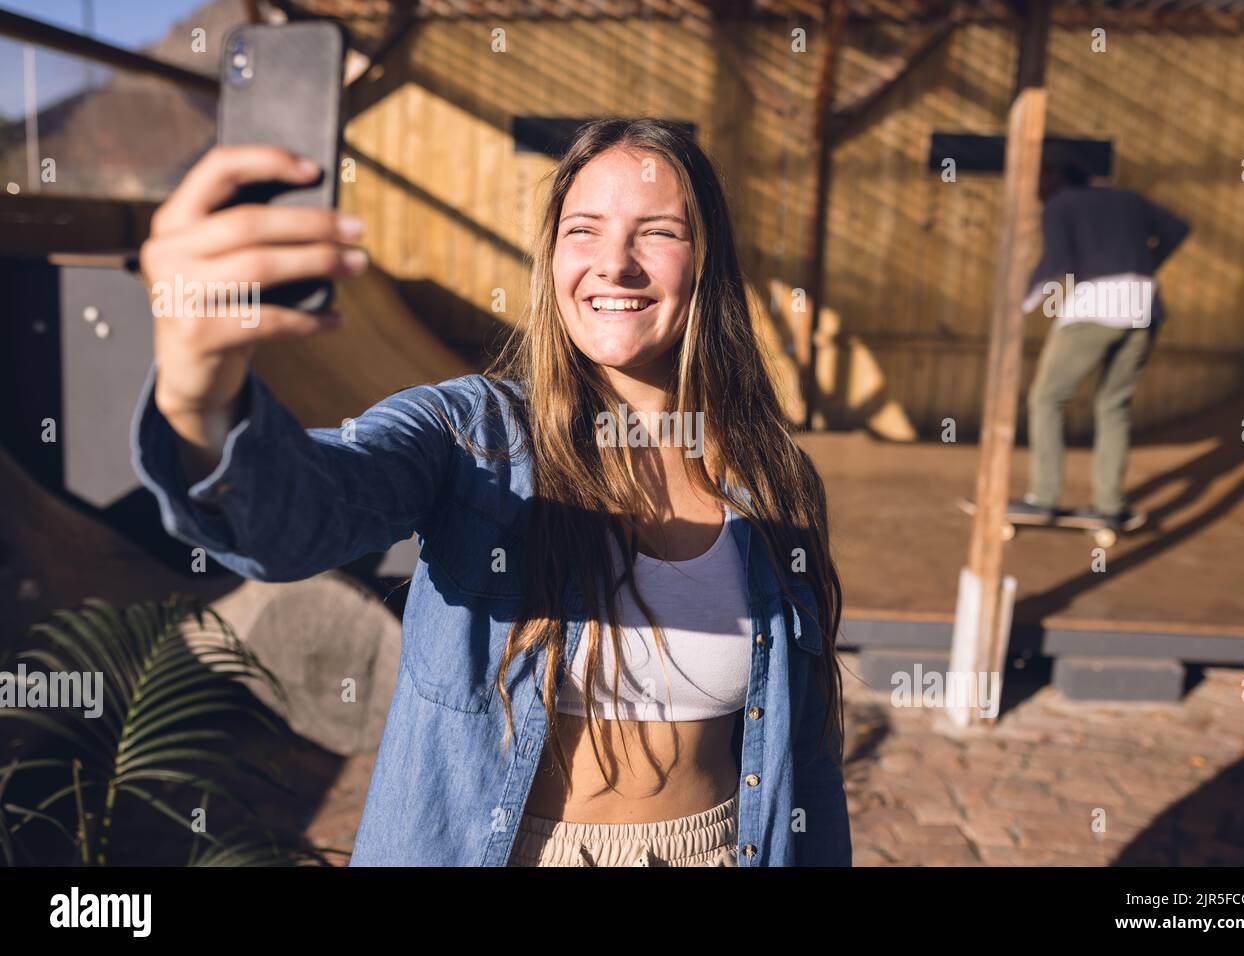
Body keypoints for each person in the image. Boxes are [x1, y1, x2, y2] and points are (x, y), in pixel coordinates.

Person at [129, 117, 851, 866]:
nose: (615, 263)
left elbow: (809, 759)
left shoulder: (774, 483)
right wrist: (200, 401)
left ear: (706, 261)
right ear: (551, 255)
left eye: (658, 232)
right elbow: (305, 511)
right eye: (585, 230)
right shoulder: (470, 435)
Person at [1012, 153, 1190, 530]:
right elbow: (1178, 227)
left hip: (1096, 308)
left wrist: (1022, 302)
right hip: (1145, 306)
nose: (1034, 189)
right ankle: (1109, 504)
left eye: (1038, 177)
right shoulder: (1128, 199)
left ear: (1057, 174)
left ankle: (1043, 498)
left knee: (1047, 398)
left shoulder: (1062, 204)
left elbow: (1056, 261)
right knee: (1114, 404)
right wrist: (1144, 265)